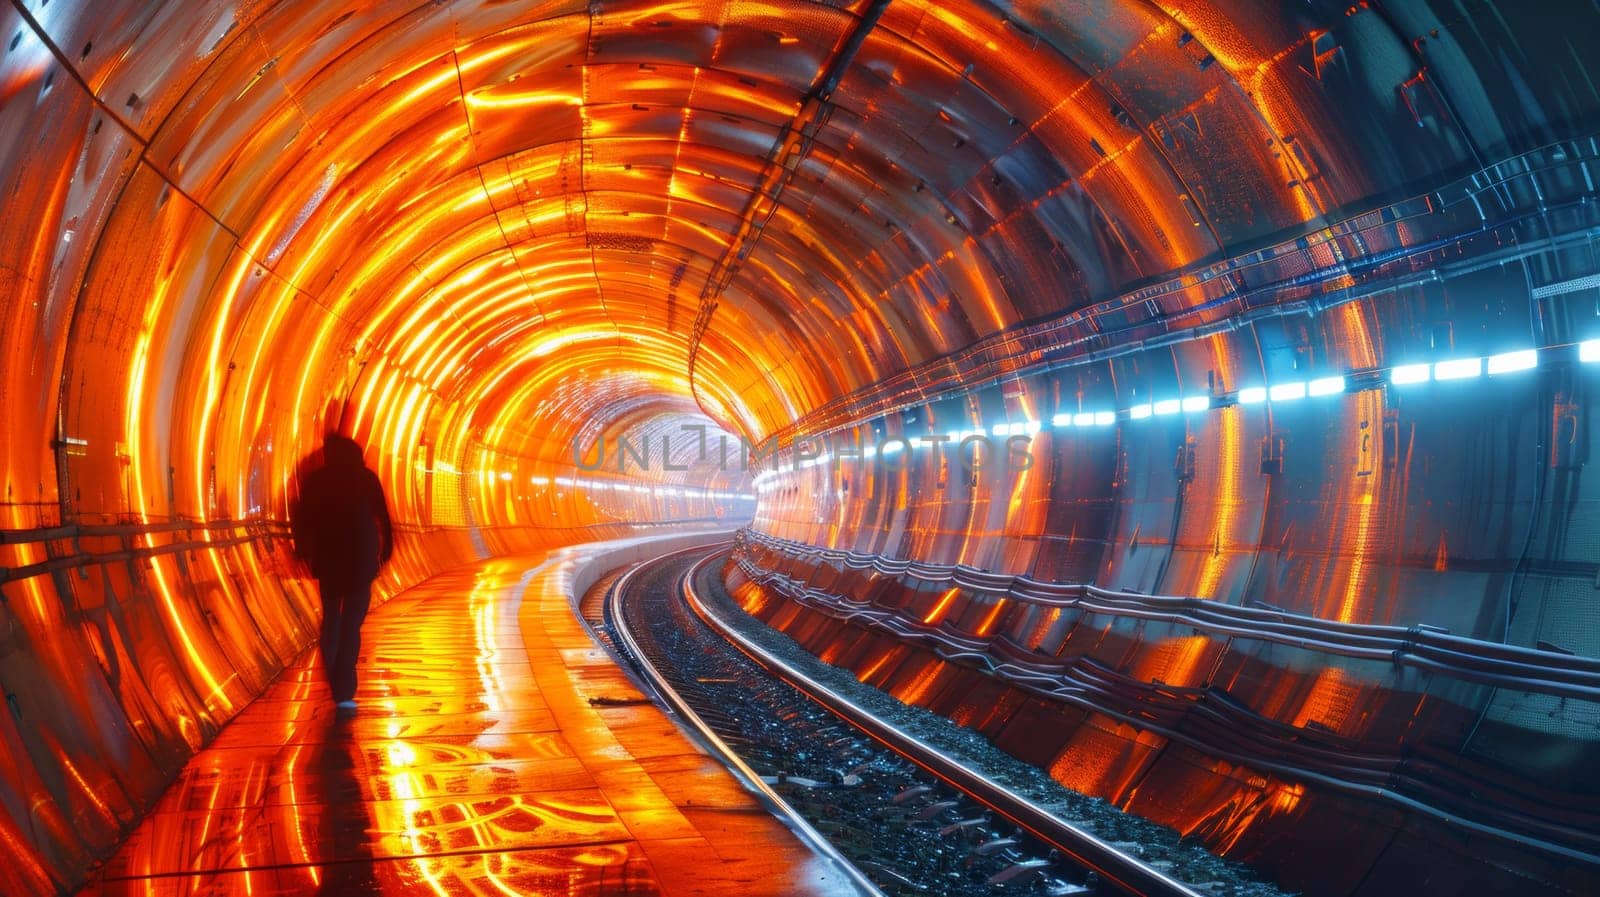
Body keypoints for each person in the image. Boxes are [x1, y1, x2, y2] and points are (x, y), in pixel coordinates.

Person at [290, 433, 394, 713]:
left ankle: (335, 679)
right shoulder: (366, 478)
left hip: (329, 561)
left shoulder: (317, 481)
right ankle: (345, 684)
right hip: (361, 561)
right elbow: (382, 515)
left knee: (332, 618)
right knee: (351, 623)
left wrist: (303, 551)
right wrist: (386, 550)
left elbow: (303, 518)